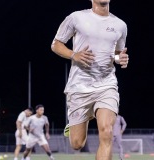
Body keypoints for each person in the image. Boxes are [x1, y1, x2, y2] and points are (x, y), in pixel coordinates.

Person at [51, 0, 129, 159]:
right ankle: (77, 121)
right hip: (79, 86)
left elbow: (116, 54)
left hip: (106, 85)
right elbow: (56, 44)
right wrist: (74, 55)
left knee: (107, 132)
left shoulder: (120, 25)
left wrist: (120, 58)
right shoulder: (76, 17)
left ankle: (96, 112)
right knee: (77, 143)